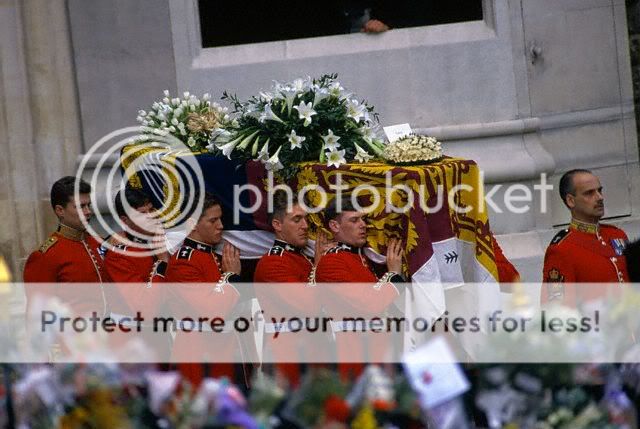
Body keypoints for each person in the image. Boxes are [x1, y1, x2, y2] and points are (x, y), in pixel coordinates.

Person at [315, 197, 405, 380]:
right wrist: (394, 275)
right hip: (353, 357)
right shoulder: (332, 262)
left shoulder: (361, 258)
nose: (363, 225)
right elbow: (370, 304)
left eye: (363, 219)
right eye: (354, 220)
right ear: (334, 226)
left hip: (376, 355)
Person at [254, 190, 333, 386]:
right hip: (287, 359)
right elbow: (309, 305)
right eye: (297, 219)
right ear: (277, 225)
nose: (305, 226)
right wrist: (320, 266)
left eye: (305, 219)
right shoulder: (273, 263)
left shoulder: (301, 258)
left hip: (314, 355)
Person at [164, 193, 242, 386]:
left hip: (223, 350)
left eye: (220, 219)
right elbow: (213, 312)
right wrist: (231, 276)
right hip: (199, 354)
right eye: (213, 220)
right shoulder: (183, 263)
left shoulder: (209, 255)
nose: (221, 226)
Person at [23, 176, 110, 314]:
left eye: (89, 205)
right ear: (60, 210)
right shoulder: (46, 256)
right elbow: (38, 316)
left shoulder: (98, 242)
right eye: (81, 206)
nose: (88, 212)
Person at [541, 169, 629, 304]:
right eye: (589, 193)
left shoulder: (616, 235)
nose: (600, 197)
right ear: (571, 200)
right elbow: (557, 309)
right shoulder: (562, 249)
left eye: (600, 191)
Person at [103, 187, 170, 359]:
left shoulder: (158, 242)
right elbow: (145, 308)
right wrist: (162, 262)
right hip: (131, 341)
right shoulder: (119, 255)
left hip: (160, 338)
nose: (151, 217)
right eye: (142, 214)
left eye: (151, 210)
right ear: (125, 220)